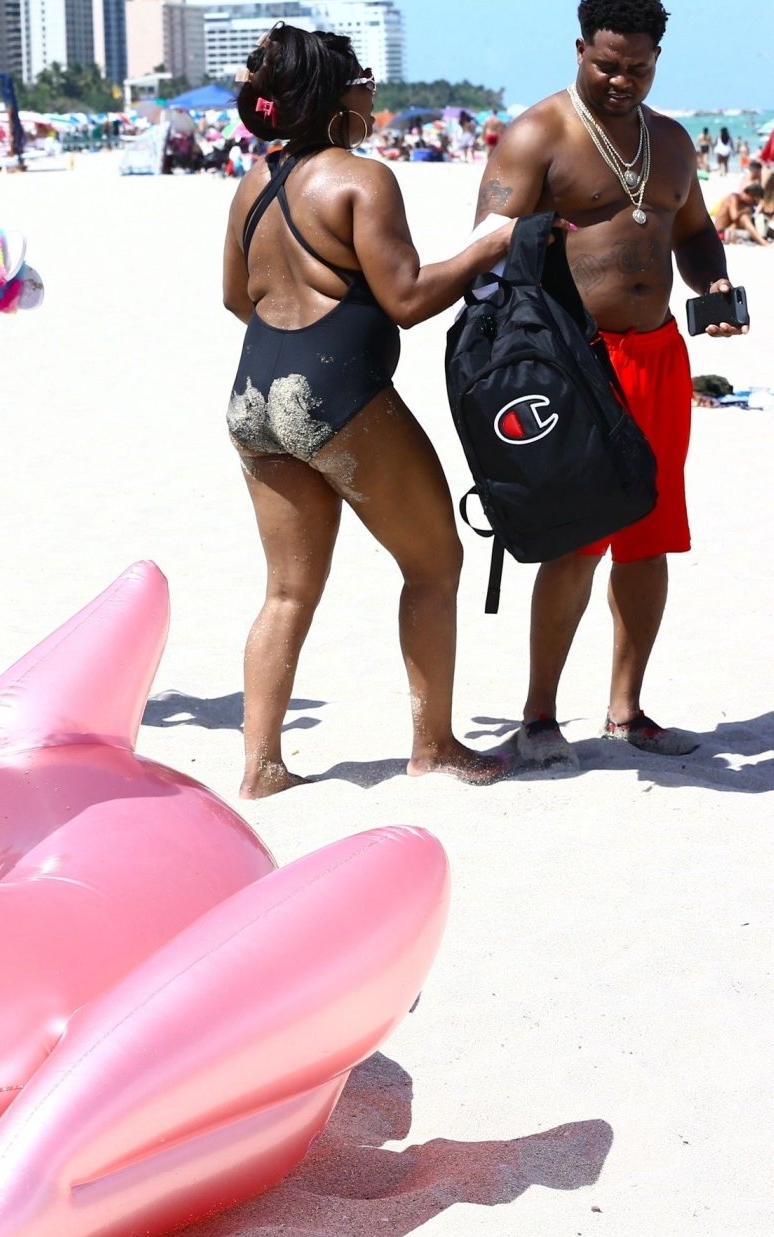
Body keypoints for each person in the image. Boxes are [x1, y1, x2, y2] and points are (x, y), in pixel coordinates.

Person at [222, 24, 522, 798]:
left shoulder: (254, 182)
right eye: (364, 79)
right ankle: (434, 745)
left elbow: (236, 296)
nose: (372, 92)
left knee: (286, 591)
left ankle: (261, 767)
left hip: (253, 396)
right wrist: (488, 249)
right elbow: (408, 298)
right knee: (434, 564)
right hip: (337, 395)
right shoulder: (362, 178)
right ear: (335, 95)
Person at [476, 0, 747, 764]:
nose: (622, 79)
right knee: (578, 542)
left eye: (638, 67)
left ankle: (627, 711)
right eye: (606, 65)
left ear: (657, 61)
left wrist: (714, 284)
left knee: (648, 540)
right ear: (578, 50)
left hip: (659, 358)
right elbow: (485, 253)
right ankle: (539, 717)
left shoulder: (672, 142)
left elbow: (694, 232)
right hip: (578, 364)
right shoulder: (537, 136)